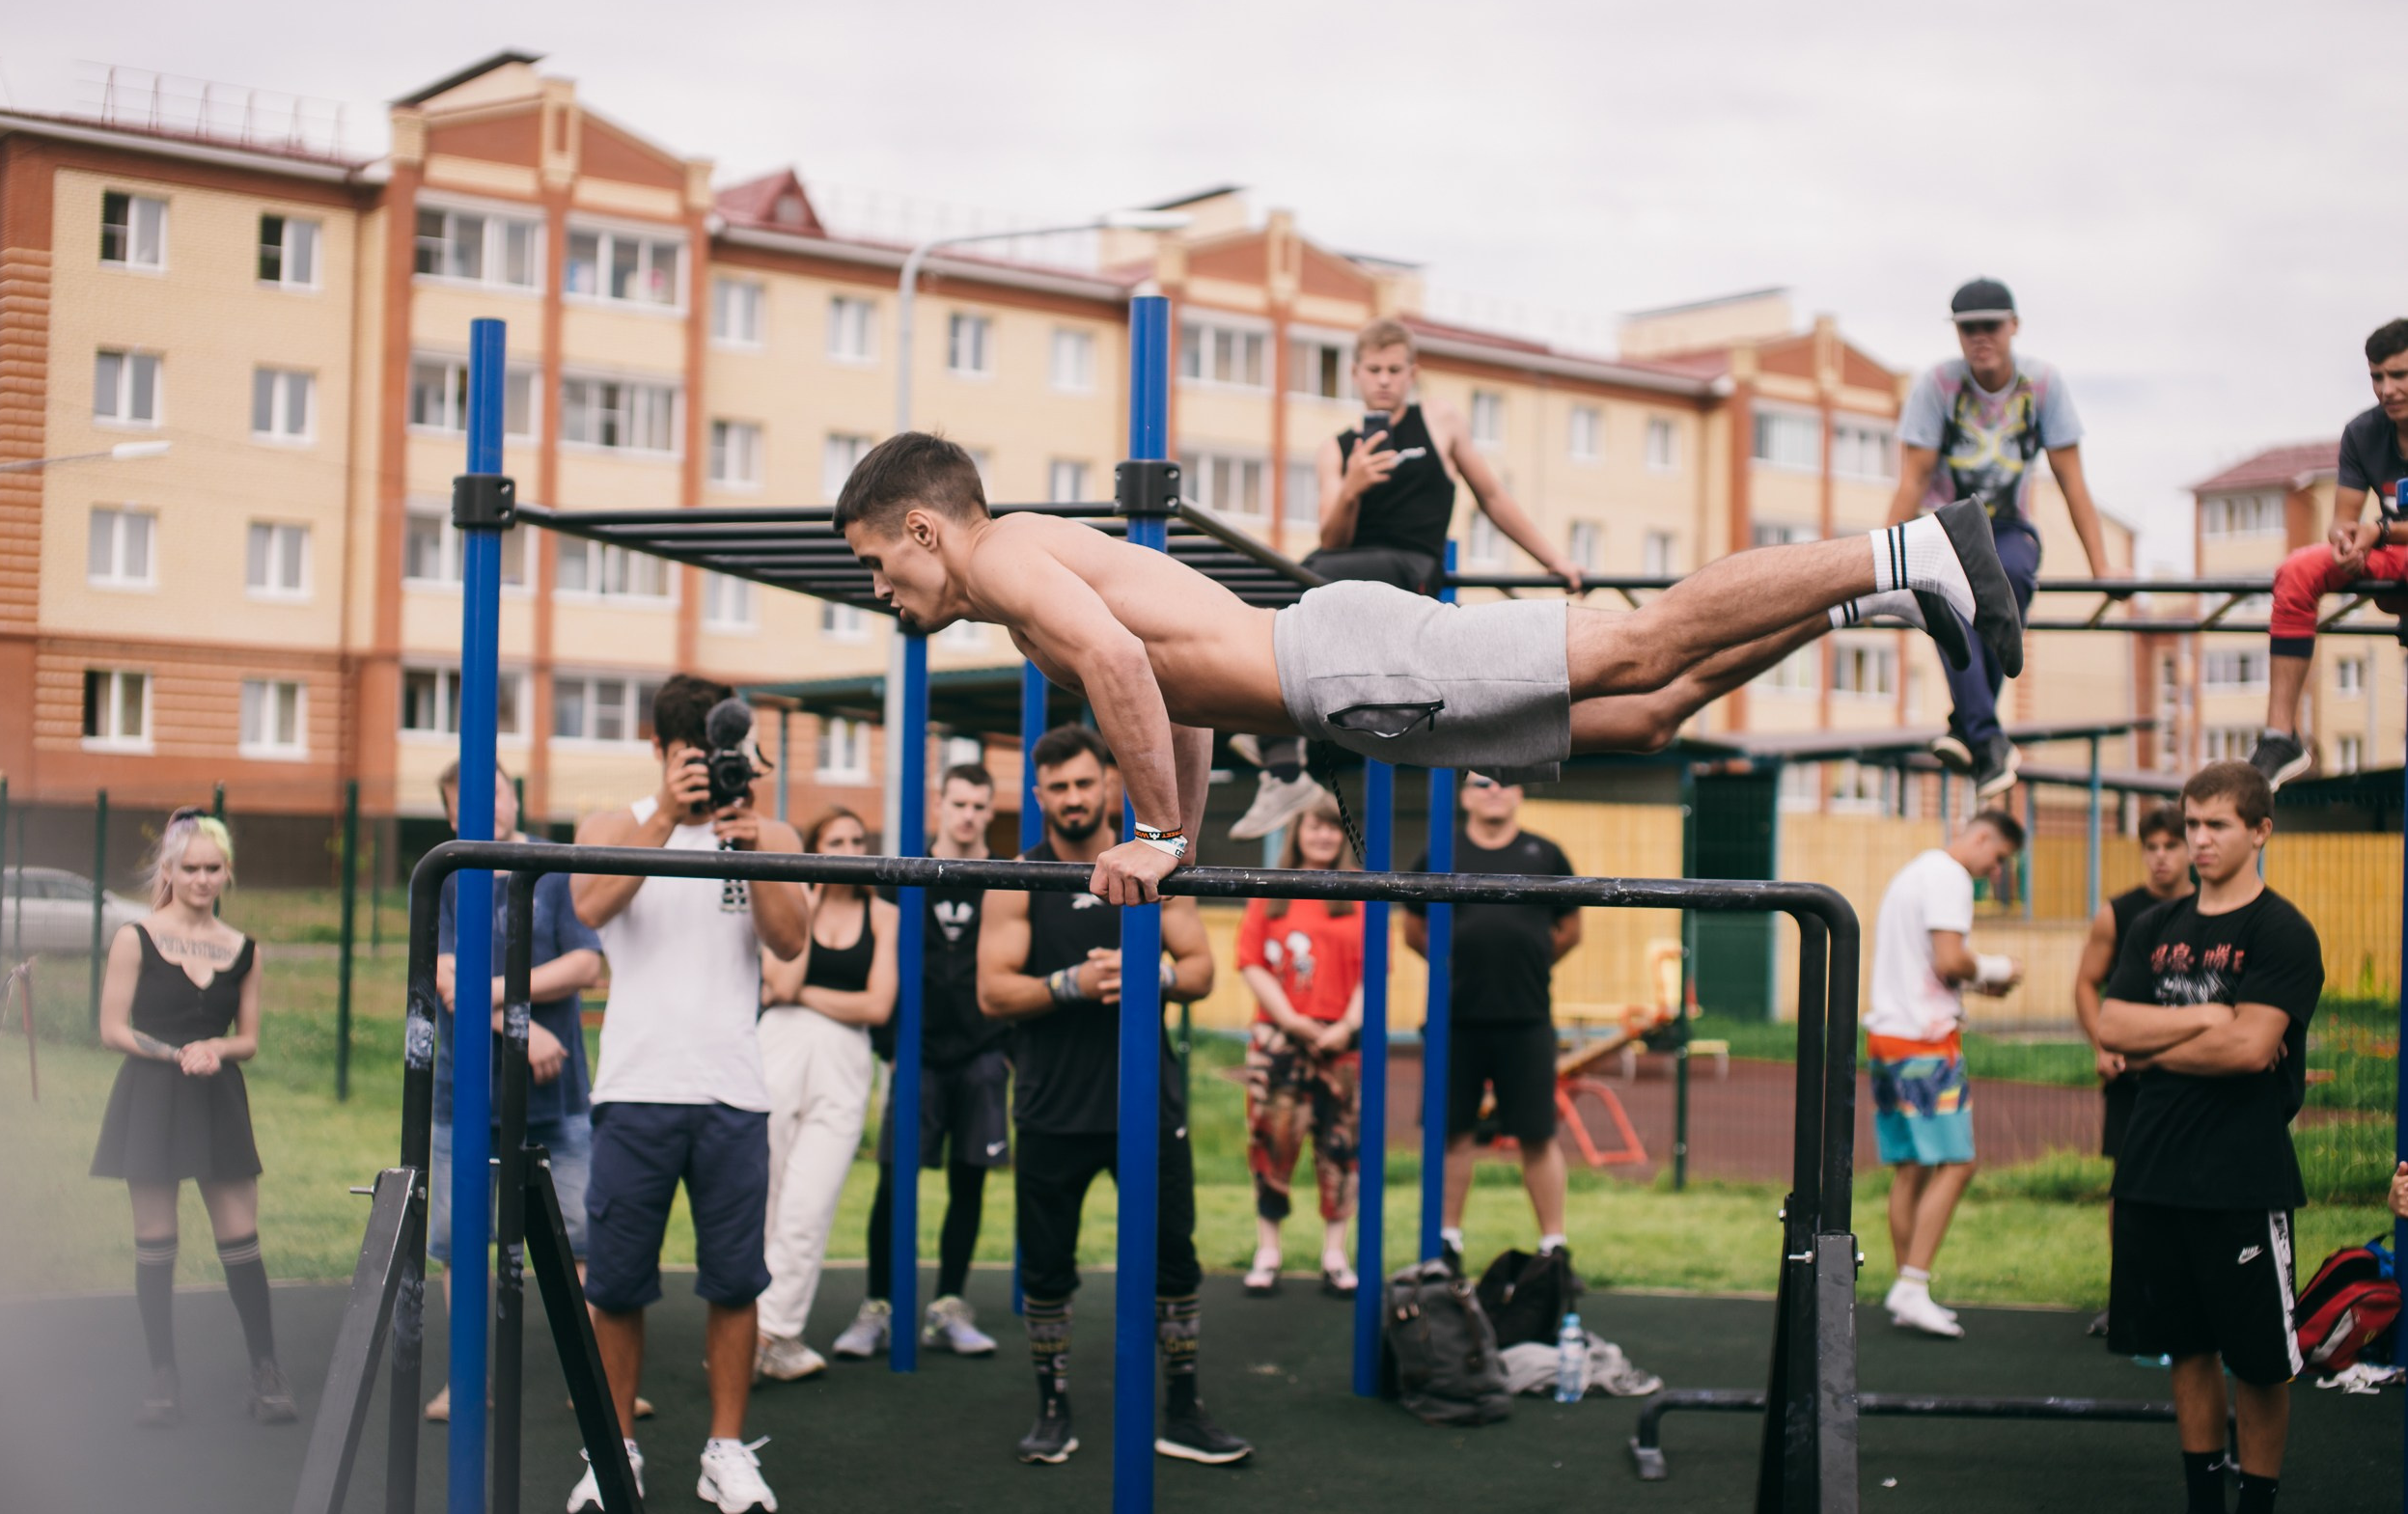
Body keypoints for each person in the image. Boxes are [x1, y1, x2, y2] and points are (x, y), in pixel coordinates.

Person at [835, 430, 2022, 907]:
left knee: (1634, 640)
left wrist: (1146, 830)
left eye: (880, 563)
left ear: (926, 529)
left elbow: (1110, 664)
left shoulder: (1008, 560)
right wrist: (1180, 832)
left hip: (1346, 666)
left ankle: (1915, 541)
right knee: (1649, 713)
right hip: (1347, 689)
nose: (884, 591)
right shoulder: (1021, 579)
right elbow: (1159, 689)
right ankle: (1877, 587)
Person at [567, 674, 809, 1514]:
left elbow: (790, 941)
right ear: (663, 753)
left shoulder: (766, 829)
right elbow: (590, 907)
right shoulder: (613, 826)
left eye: (718, 760)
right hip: (636, 1087)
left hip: (732, 1091)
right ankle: (614, 1449)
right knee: (618, 1283)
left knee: (735, 1281)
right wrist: (668, 819)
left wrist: (749, 843)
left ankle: (726, 1450)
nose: (706, 775)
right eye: (690, 761)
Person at [978, 726, 1248, 1467]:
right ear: (1039, 796)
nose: (1072, 798)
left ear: (1109, 784)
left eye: (1083, 783)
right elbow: (992, 989)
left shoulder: (1153, 863)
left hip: (1144, 1105)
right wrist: (1068, 985)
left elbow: (1199, 969)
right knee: (1046, 1267)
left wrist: (1148, 973)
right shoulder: (1017, 877)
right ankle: (1052, 1405)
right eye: (1056, 787)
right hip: (1052, 1106)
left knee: (1174, 1261)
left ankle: (1183, 1406)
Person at [1229, 317, 1586, 841]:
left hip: (1410, 568)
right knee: (1277, 583)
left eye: (1395, 369)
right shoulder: (1338, 448)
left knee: (1306, 583)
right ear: (1355, 374)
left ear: (1412, 373)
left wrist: (1555, 559)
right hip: (1345, 569)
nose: (1384, 380)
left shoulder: (1439, 421)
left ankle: (1278, 758)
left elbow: (1492, 496)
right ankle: (1282, 765)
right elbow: (1334, 536)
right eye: (1373, 369)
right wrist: (1352, 487)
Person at [2097, 762, 2323, 1514]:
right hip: (2153, 1170)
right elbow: (2112, 1020)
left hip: (2240, 1177)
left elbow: (2253, 1046)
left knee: (2259, 1359)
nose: (2198, 839)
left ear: (2260, 830)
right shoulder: (2155, 924)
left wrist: (2162, 1040)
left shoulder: (2282, 932)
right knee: (2186, 1349)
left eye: (2217, 824)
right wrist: (2202, 1014)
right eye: (2192, 823)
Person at [92, 807, 294, 1426]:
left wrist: (215, 1048)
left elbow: (249, 1039)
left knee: (240, 1237)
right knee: (156, 1239)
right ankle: (162, 1374)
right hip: (150, 1097)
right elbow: (111, 1028)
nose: (203, 880)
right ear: (170, 871)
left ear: (226, 872)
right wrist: (174, 1052)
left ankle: (265, 1371)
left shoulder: (244, 950)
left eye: (213, 869)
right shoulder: (136, 937)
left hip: (217, 1097)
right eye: (191, 869)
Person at [423, 760, 609, 1422]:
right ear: (453, 815)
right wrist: (517, 1030)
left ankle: (597, 1380)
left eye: (496, 788)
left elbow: (586, 962)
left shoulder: (551, 868)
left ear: (515, 795)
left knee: (584, 1238)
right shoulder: (449, 875)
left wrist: (500, 997)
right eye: (469, 797)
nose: (487, 801)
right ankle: (469, 1379)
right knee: (459, 1237)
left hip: (556, 1097)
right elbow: (446, 978)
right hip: (465, 1093)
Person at [1889, 278, 2118, 797]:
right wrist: (1880, 559)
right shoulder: (1938, 387)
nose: (1980, 338)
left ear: (2013, 326)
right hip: (1943, 524)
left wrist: (2101, 567)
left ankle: (1969, 728)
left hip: (2009, 527)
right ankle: (1987, 738)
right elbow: (1913, 481)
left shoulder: (2041, 386)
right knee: (1943, 592)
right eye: (1968, 328)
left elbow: (2073, 482)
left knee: (2011, 574)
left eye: (1990, 325)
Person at [837, 763, 1011, 1361]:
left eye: (979, 805)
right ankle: (878, 1306)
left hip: (982, 1053)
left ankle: (949, 1306)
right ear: (939, 803)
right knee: (894, 1182)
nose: (968, 815)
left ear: (991, 811)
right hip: (916, 1055)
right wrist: (889, 1048)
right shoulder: (904, 878)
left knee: (970, 1180)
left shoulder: (1006, 879)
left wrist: (1004, 1048)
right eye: (958, 802)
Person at [1863, 810, 2027, 1338]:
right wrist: (1998, 970)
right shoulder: (1950, 877)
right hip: (1924, 1041)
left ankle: (1907, 1288)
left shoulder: (1915, 872)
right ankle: (1911, 1284)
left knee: (1911, 1168)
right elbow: (1951, 960)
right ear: (1979, 837)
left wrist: (1976, 983)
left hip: (1888, 1034)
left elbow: (1932, 964)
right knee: (1958, 1163)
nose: (1995, 872)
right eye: (1998, 858)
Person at [1403, 774, 1579, 1268]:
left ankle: (1553, 1246)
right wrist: (1450, 963)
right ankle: (1446, 1241)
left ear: (1521, 791)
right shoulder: (1441, 851)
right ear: (1463, 795)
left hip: (1526, 1017)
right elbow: (1412, 923)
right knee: (1453, 1132)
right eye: (1481, 784)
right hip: (1455, 1018)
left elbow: (1570, 927)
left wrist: (1531, 961)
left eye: (1504, 782)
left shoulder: (1546, 855)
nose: (1494, 791)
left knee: (1537, 1134)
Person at [754, 808, 899, 1382]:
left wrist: (806, 997)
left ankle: (774, 1331)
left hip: (844, 1061)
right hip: (778, 1052)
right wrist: (808, 900)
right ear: (814, 851)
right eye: (835, 841)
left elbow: (877, 1006)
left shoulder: (883, 916)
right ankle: (758, 1331)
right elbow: (781, 983)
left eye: (857, 838)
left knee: (808, 1207)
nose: (849, 848)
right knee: (762, 1196)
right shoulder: (796, 904)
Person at [2250, 317, 2408, 791]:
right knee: (2298, 569)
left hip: (2391, 540)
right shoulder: (2362, 432)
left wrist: (2377, 530)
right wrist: (2344, 543)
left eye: (2399, 375)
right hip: (2394, 554)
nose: (2388, 389)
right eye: (2377, 377)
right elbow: (2344, 518)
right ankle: (2281, 737)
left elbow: (2375, 526)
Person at [1235, 793, 1367, 1296]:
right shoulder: (1271, 890)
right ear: (1298, 831)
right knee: (1271, 1143)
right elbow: (1250, 960)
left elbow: (1373, 970)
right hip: (1280, 1039)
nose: (1323, 836)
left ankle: (1335, 1253)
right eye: (1315, 826)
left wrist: (1347, 1026)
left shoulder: (1359, 892)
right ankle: (1268, 1249)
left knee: (1340, 1149)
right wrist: (1290, 1019)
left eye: (1333, 828)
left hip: (1340, 1042)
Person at [2071, 800, 2192, 1338]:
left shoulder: (2214, 912)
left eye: (2172, 845)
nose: (2161, 857)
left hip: (2197, 1078)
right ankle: (2128, 1298)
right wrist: (2102, 1045)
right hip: (2132, 1080)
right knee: (2129, 1189)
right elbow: (2085, 982)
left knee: (2194, 1188)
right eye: (2153, 847)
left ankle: (2189, 1296)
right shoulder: (2119, 913)